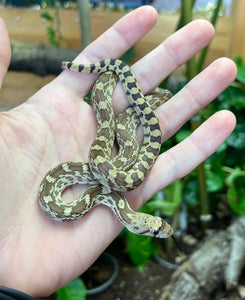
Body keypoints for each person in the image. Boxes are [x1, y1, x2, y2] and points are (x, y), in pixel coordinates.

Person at [0, 5, 236, 299]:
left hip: (119, 144)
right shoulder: (106, 193)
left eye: (152, 229)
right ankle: (119, 75)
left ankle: (122, 80)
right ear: (134, 223)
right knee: (122, 129)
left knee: (138, 115)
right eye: (152, 229)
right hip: (111, 150)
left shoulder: (113, 195)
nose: (156, 229)